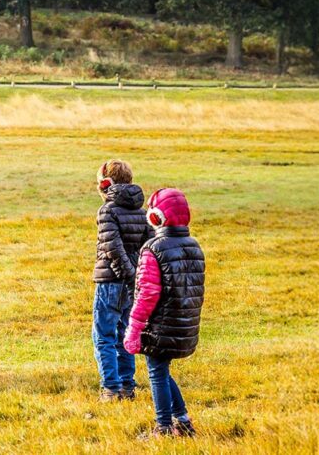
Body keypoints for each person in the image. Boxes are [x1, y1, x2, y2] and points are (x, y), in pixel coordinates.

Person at [124, 188, 206, 438]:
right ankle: (182, 421)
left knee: (157, 373)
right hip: (185, 324)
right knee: (161, 370)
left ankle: (164, 428)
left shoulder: (153, 248)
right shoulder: (194, 246)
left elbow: (147, 293)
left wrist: (134, 328)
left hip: (160, 324)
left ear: (156, 217)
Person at [91, 159, 152, 402]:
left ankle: (110, 387)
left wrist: (127, 275)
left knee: (104, 336)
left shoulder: (107, 211)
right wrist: (136, 277)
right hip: (132, 282)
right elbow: (147, 248)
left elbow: (112, 248)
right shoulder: (142, 211)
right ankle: (127, 386)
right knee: (124, 334)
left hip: (111, 280)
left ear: (106, 184)